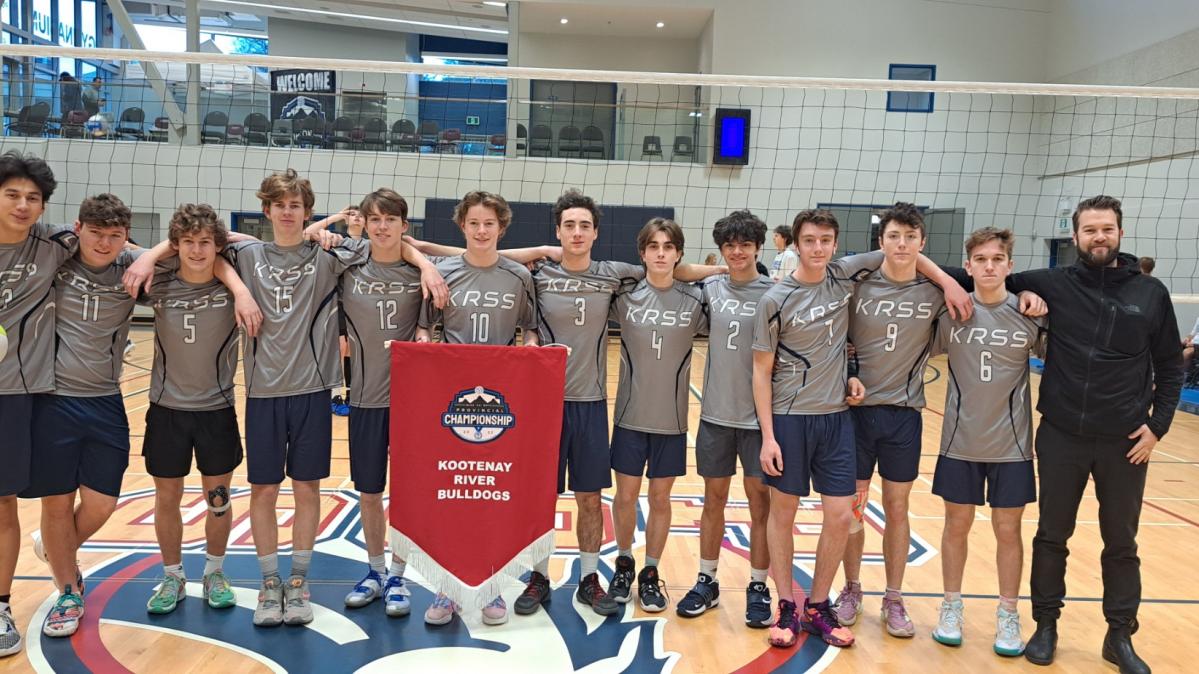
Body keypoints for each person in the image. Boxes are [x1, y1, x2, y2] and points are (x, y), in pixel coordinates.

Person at [752, 208, 971, 650]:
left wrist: (950, 281)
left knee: (840, 515)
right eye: (809, 240)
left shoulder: (842, 275)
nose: (818, 248)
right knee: (784, 514)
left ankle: (818, 605)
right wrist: (769, 436)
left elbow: (902, 253)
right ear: (796, 244)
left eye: (825, 240)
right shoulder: (776, 298)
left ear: (836, 244)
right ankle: (787, 606)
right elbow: (759, 371)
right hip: (792, 419)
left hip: (838, 418)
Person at [1011, 196, 1183, 674]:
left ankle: (1119, 636)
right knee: (1051, 536)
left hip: (1126, 440)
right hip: (1062, 434)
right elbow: (983, 275)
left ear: (1120, 234)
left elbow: (1170, 364)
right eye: (1090, 230)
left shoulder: (1151, 293)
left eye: (1107, 229)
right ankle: (1045, 626)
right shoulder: (1052, 283)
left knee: (1121, 543)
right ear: (1076, 237)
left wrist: (1158, 426)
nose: (1099, 237)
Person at [22, 194, 147, 639]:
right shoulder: (55, 258)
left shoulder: (133, 266)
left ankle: (58, 549)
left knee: (101, 503)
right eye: (96, 233)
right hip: (52, 400)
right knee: (55, 502)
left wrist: (152, 254)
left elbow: (206, 237)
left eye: (115, 236)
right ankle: (68, 590)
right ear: (78, 228)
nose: (104, 243)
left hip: (105, 400)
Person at [418, 190, 538, 627]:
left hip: (501, 408)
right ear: (462, 227)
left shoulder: (519, 276)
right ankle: (447, 588)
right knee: (452, 496)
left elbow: (531, 332)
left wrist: (530, 360)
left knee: (494, 497)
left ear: (501, 228)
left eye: (490, 224)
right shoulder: (443, 273)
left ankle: (493, 588)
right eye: (474, 223)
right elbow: (423, 331)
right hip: (450, 407)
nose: (482, 231)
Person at [928, 227, 1046, 657]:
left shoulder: (1030, 315)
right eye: (981, 259)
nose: (990, 266)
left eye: (998, 259)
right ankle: (951, 607)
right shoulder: (952, 310)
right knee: (955, 527)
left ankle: (1008, 614)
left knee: (1008, 531)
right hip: (959, 441)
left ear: (1010, 266)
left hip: (1012, 446)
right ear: (969, 266)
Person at [140, 204, 261, 615]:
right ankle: (173, 575)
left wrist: (240, 287)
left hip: (216, 409)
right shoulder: (157, 281)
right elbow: (127, 252)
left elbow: (253, 243)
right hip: (165, 409)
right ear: (175, 245)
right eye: (187, 243)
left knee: (218, 499)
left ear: (218, 246)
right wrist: (160, 250)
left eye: (205, 243)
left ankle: (214, 572)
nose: (196, 251)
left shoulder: (234, 283)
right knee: (167, 498)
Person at [675, 210, 774, 627]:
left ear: (758, 247)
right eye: (730, 245)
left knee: (760, 505)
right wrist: (723, 267)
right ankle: (707, 579)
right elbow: (676, 269)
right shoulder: (711, 285)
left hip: (758, 421)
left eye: (745, 245)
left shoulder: (776, 291)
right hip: (715, 414)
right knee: (712, 499)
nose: (738, 251)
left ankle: (758, 585)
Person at [605, 217, 708, 613]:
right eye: (654, 247)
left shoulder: (697, 301)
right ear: (643, 252)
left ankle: (650, 572)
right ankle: (625, 562)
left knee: (661, 498)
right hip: (630, 417)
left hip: (673, 421)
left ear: (679, 253)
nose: (661, 253)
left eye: (668, 247)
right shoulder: (624, 297)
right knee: (626, 496)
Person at [0, 151, 76, 658]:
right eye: (12, 195)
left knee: (55, 500)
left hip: (39, 394)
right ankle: (2, 605)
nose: (23, 205)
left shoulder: (53, 244)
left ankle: (68, 585)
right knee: (1, 505)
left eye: (33, 198)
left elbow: (117, 245)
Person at [338, 189, 425, 617]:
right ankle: (373, 571)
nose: (383, 226)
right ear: (365, 224)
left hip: (411, 405)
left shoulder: (421, 274)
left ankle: (398, 577)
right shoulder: (348, 264)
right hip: (366, 399)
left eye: (391, 219)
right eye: (375, 219)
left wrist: (424, 261)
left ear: (403, 227)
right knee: (369, 492)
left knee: (407, 496)